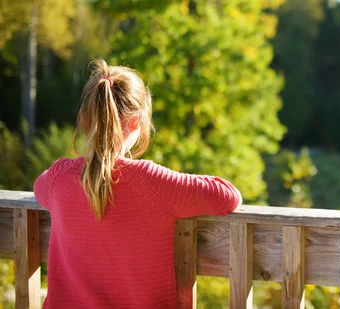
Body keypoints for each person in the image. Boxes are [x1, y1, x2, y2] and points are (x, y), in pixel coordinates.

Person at [33, 59, 242, 309]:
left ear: (85, 120)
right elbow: (228, 196)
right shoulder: (152, 182)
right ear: (137, 122)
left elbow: (39, 187)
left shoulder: (59, 178)